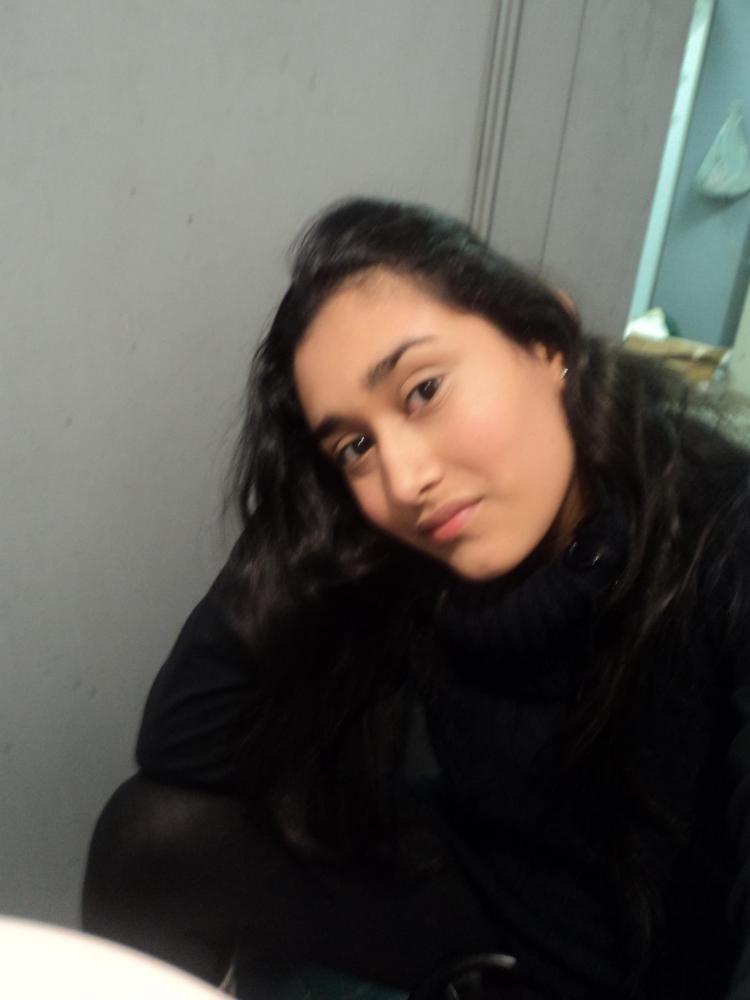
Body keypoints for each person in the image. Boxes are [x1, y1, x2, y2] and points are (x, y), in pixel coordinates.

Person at [82, 198, 750, 1000]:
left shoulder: (721, 534)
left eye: (423, 389)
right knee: (146, 839)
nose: (403, 481)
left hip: (644, 969)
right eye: (355, 445)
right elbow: (182, 745)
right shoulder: (414, 543)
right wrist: (309, 508)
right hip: (486, 897)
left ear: (547, 343)